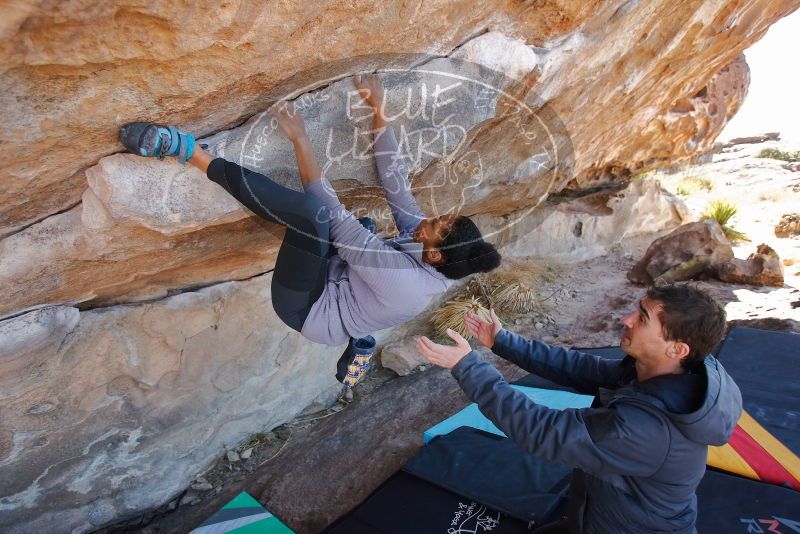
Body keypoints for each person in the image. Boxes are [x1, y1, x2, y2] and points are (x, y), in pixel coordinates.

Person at [119, 74, 501, 391]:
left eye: (436, 225)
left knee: (312, 215)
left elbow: (330, 211)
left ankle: (189, 151)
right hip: (347, 281)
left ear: (434, 254)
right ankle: (361, 329)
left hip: (307, 307)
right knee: (362, 230)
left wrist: (300, 137)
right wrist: (377, 110)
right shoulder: (431, 252)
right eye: (439, 217)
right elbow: (396, 183)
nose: (428, 218)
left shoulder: (405, 281)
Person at [416, 284, 742, 533]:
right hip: (597, 517)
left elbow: (541, 430)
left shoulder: (645, 430)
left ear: (677, 348)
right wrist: (502, 341)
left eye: (642, 319)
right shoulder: (669, 371)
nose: (627, 319)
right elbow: (581, 368)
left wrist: (468, 366)